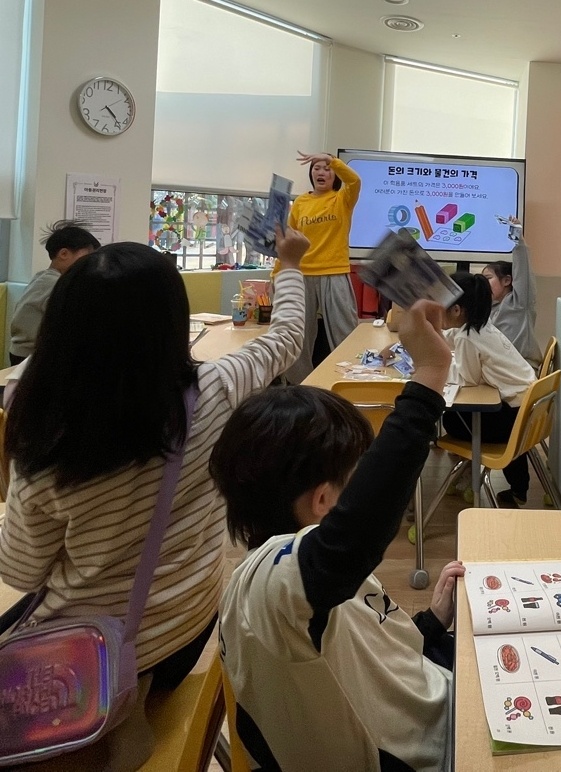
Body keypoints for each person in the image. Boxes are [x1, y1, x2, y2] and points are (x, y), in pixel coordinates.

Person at [0, 226, 308, 769]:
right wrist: (290, 265)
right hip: (191, 629)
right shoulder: (216, 389)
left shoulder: (48, 441)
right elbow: (286, 337)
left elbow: (21, 570)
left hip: (89, 662)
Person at [211, 300, 465, 772]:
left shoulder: (304, 576)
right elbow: (357, 535)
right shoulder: (268, 583)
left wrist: (430, 623)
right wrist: (430, 374)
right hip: (439, 752)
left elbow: (368, 655)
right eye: (357, 475)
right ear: (324, 499)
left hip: (443, 697)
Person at [441, 271, 536, 508]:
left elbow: (469, 380)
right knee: (462, 414)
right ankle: (517, 488)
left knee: (451, 419)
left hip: (513, 420)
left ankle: (467, 475)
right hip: (528, 412)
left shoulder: (468, 338)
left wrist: (439, 366)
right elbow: (450, 337)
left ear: (456, 310)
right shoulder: (481, 326)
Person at [278, 150, 361, 383]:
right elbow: (287, 239)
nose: (322, 172)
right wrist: (278, 274)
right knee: (298, 335)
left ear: (335, 174)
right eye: (317, 168)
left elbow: (355, 180)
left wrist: (331, 159)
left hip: (334, 272)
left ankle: (349, 382)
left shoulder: (342, 199)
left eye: (327, 168)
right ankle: (302, 386)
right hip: (302, 274)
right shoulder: (301, 202)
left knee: (346, 331)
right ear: (311, 173)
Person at [9, 220, 101, 365]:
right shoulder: (53, 284)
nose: (88, 264)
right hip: (31, 356)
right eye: (86, 258)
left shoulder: (44, 277)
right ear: (63, 254)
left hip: (27, 352)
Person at [482, 216, 542, 370]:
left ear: (507, 280)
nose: (484, 284)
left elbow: (523, 272)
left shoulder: (519, 303)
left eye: (488, 278)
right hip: (501, 367)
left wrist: (519, 241)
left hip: (522, 368)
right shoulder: (490, 308)